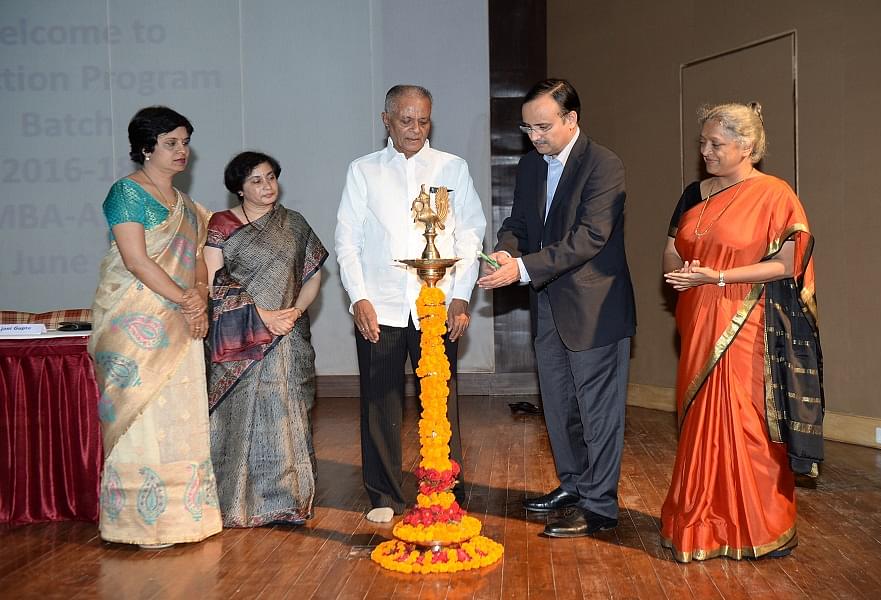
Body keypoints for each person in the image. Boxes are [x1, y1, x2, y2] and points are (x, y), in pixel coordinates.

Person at [659, 102, 824, 562]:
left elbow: (789, 263)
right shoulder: (693, 194)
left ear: (746, 146)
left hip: (748, 323)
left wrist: (718, 277)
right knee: (700, 422)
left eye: (717, 144)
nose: (706, 151)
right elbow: (671, 249)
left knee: (746, 423)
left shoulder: (774, 194)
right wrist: (682, 271)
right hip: (698, 317)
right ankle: (700, 521)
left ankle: (758, 525)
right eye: (703, 143)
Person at [478, 79, 636, 538]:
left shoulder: (604, 164)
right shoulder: (531, 166)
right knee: (559, 403)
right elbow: (517, 223)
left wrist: (523, 268)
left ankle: (599, 506)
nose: (534, 137)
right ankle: (573, 486)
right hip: (547, 303)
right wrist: (506, 251)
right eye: (527, 128)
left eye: (543, 127)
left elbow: (590, 237)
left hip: (595, 307)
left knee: (597, 412)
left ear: (571, 120)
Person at [334, 84, 486, 523]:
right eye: (406, 120)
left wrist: (461, 296)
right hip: (380, 306)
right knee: (379, 402)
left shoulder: (452, 168)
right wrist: (358, 298)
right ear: (386, 120)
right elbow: (347, 240)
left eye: (423, 120)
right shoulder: (363, 170)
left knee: (440, 399)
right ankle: (384, 494)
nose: (416, 129)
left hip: (438, 305)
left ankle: (445, 487)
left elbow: (470, 234)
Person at [89, 106, 222, 549]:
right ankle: (139, 525)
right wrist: (186, 298)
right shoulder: (126, 193)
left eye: (185, 142)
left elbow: (199, 260)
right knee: (142, 416)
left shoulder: (188, 206)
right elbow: (136, 260)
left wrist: (199, 294)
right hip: (134, 322)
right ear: (146, 148)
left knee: (179, 414)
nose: (182, 150)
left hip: (182, 320)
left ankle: (186, 519)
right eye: (171, 143)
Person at [203, 151, 328, 527]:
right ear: (239, 188)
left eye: (271, 177)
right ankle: (236, 503)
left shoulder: (294, 224)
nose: (267, 186)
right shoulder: (222, 224)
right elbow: (215, 283)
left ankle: (289, 501)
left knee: (288, 414)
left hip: (289, 335)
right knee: (240, 418)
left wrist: (296, 311)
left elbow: (313, 276)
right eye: (256, 180)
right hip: (241, 338)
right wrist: (262, 317)